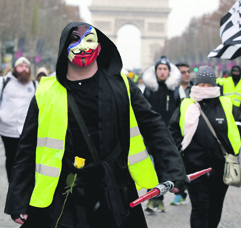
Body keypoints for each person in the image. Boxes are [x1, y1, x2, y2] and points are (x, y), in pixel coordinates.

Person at [4, 22, 188, 228]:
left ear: (99, 47)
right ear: (64, 47)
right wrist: (18, 198)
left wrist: (173, 168)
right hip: (63, 194)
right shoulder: (45, 92)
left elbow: (154, 127)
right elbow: (27, 148)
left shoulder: (124, 86)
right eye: (75, 40)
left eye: (89, 40)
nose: (83, 47)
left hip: (115, 190)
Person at [169, 66, 241, 228]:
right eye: (201, 85)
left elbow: (239, 125)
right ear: (196, 85)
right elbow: (173, 129)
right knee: (200, 207)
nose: (204, 89)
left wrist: (232, 148)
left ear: (214, 85)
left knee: (215, 206)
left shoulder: (226, 104)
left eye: (208, 85)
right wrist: (180, 149)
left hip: (220, 166)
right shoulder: (186, 104)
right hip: (194, 166)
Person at [142, 55, 182, 212]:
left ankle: (158, 199)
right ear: (155, 70)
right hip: (151, 135)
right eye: (160, 69)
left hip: (168, 137)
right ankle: (153, 199)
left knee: (163, 170)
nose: (162, 72)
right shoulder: (148, 90)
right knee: (151, 168)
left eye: (165, 69)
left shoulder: (176, 91)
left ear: (169, 71)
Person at [0, 57, 37, 182]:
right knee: (10, 158)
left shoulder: (34, 85)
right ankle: (12, 182)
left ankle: (22, 184)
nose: (24, 69)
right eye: (21, 66)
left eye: (27, 67)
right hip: (7, 130)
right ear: (15, 68)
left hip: (27, 130)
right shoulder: (4, 82)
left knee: (25, 159)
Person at [171, 62, 193, 206]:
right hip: (176, 131)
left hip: (191, 132)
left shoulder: (196, 89)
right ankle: (180, 191)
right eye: (183, 72)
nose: (187, 74)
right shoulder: (172, 90)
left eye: (188, 71)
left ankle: (182, 191)